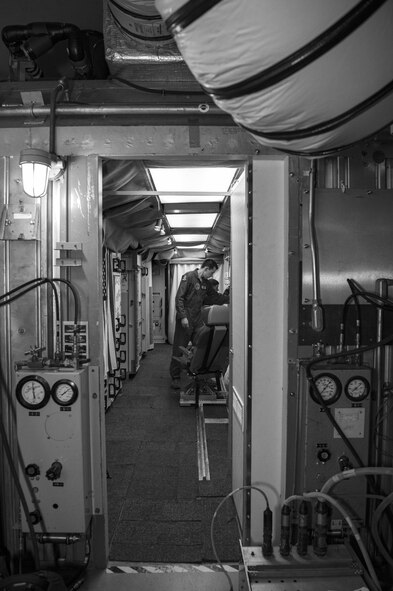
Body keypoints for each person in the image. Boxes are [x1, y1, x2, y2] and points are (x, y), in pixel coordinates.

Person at [169, 259, 229, 389]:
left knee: (202, 347)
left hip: (197, 319)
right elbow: (179, 298)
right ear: (206, 268)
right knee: (179, 348)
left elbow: (214, 297)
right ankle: (175, 377)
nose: (211, 276)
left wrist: (231, 298)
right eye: (211, 273)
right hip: (185, 320)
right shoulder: (189, 277)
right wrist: (183, 316)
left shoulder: (206, 283)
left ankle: (199, 374)